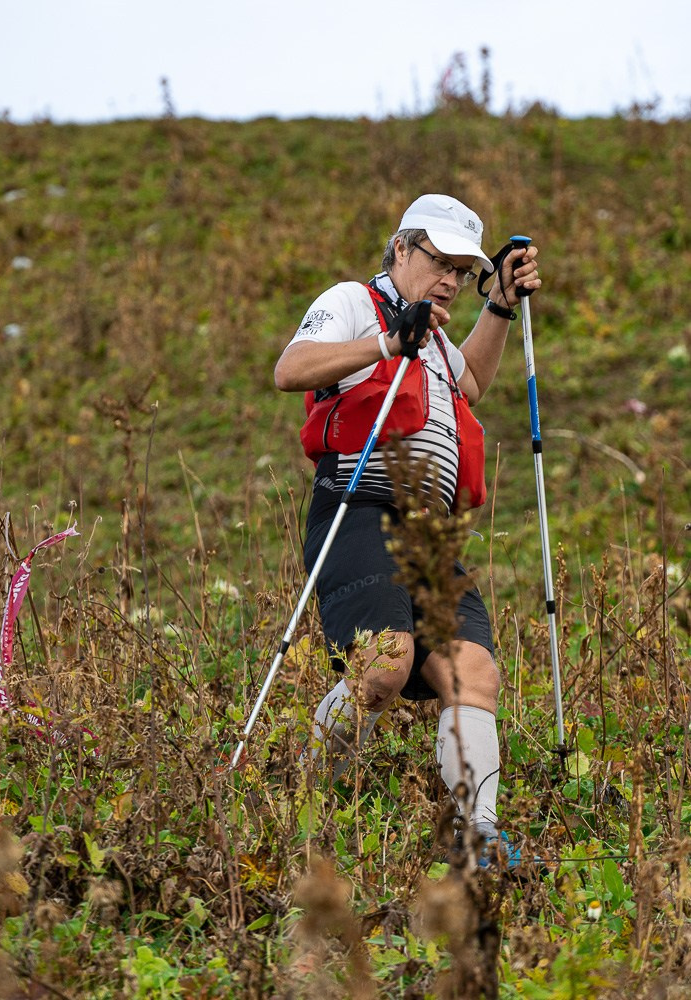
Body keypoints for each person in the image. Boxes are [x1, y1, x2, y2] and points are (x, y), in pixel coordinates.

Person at [274, 194, 541, 863]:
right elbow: (290, 370)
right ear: (401, 248)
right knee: (383, 668)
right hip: (359, 506)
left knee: (471, 669)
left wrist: (499, 304)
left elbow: (470, 384)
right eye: (440, 262)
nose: (450, 280)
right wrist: (389, 342)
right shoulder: (353, 301)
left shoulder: (439, 336)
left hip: (430, 532)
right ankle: (307, 798)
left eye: (462, 270)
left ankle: (477, 834)